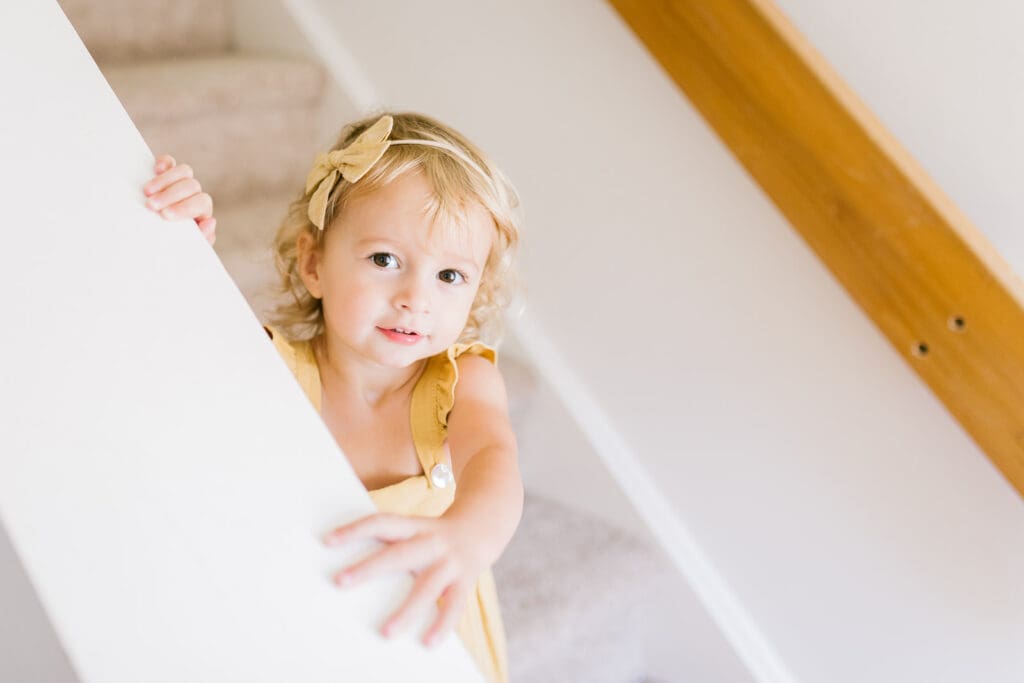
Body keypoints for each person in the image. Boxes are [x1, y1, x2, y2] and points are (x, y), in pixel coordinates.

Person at [142, 112, 523, 683]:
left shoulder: (463, 382)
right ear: (314, 264)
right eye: (384, 260)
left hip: (421, 628)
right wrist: (179, 249)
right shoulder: (271, 368)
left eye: (449, 276)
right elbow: (179, 350)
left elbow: (493, 459)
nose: (414, 299)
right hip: (303, 620)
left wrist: (471, 536)